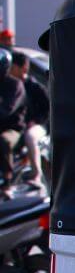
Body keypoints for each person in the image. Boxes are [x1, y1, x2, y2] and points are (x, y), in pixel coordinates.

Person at [8, 52, 47, 192]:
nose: (10, 69)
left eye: (13, 66)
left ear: (22, 67)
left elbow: (47, 109)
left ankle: (36, 174)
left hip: (37, 126)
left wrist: (35, 121)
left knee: (30, 137)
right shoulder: (9, 84)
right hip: (18, 126)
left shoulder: (33, 87)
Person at [0, 49, 26, 199]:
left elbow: (6, 110)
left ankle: (7, 181)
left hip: (12, 128)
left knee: (4, 141)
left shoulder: (14, 85)